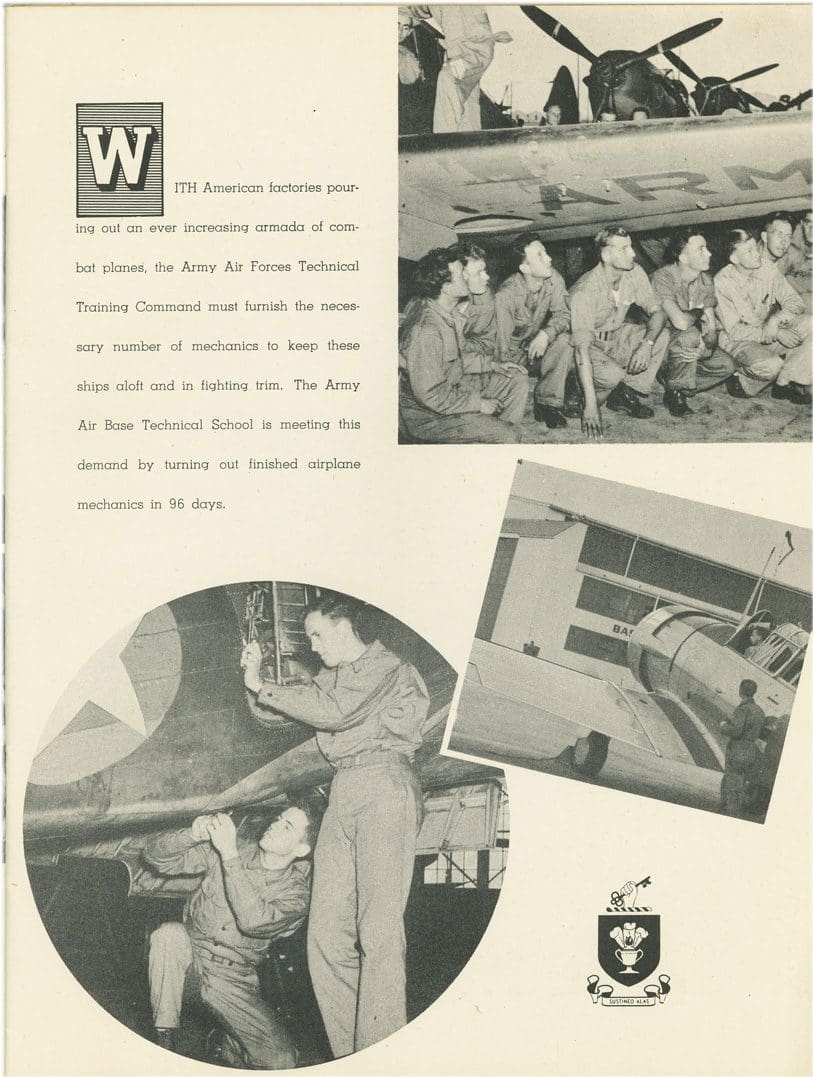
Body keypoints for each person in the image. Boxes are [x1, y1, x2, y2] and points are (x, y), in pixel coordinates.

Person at [241, 593, 430, 1059]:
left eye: (316, 635)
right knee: (324, 936)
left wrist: (262, 685)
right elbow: (282, 712)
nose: (313, 646)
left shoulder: (388, 667)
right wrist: (255, 675)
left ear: (343, 626)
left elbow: (335, 714)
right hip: (343, 789)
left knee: (379, 931)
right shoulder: (334, 680)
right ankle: (353, 1054)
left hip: (384, 783)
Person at [144, 802, 320, 1068]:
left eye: (288, 826)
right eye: (279, 817)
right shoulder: (236, 847)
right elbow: (154, 857)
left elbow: (253, 922)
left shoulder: (297, 895)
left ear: (301, 850)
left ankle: (226, 1047)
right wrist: (192, 834)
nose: (274, 824)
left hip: (234, 977)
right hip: (190, 959)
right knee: (168, 936)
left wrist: (229, 854)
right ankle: (163, 1045)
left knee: (281, 1061)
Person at [399, 247, 528, 442]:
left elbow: (456, 359)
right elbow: (431, 396)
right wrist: (478, 404)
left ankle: (489, 432)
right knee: (509, 436)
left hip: (452, 390)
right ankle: (491, 436)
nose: (467, 278)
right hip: (428, 417)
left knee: (515, 378)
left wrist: (493, 365)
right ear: (445, 286)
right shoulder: (427, 330)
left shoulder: (448, 314)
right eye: (461, 275)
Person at [569, 226, 669, 438]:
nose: (632, 253)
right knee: (612, 375)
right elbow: (581, 351)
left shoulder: (633, 272)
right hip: (586, 346)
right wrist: (591, 407)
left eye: (630, 247)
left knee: (661, 336)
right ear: (606, 255)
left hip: (615, 336)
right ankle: (576, 386)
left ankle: (624, 394)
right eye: (624, 249)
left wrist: (646, 345)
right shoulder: (585, 290)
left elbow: (659, 313)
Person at [714, 228, 811, 403]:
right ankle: (739, 378)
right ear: (734, 258)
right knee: (772, 366)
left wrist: (776, 320)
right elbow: (735, 331)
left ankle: (784, 382)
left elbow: (795, 301)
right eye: (748, 251)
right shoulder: (722, 282)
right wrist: (777, 333)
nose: (757, 254)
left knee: (811, 323)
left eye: (755, 248)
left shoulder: (766, 267)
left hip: (766, 329)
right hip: (737, 340)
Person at [494, 233, 576, 428]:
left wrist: (546, 334)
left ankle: (547, 404)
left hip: (534, 348)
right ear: (525, 268)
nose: (549, 258)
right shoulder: (505, 295)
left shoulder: (553, 278)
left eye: (545, 252)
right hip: (510, 354)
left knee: (565, 340)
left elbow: (565, 314)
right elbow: (499, 347)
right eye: (540, 255)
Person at [651, 228, 735, 417]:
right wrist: (699, 310)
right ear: (684, 258)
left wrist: (705, 348)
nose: (709, 253)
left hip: (683, 345)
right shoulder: (663, 278)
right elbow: (680, 322)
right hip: (657, 345)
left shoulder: (706, 280)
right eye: (701, 249)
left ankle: (674, 381)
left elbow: (712, 332)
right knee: (690, 335)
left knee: (727, 365)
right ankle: (676, 393)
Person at [410, 6, 510, 133]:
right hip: (468, 45)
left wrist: (455, 54)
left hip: (473, 48)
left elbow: (451, 12)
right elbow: (420, 9)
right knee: (467, 98)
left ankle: (445, 141)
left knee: (450, 78)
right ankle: (470, 141)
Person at [719, 679, 765, 816]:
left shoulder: (743, 709)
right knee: (740, 782)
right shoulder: (759, 711)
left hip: (738, 749)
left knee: (731, 782)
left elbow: (736, 731)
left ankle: (728, 813)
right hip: (752, 749)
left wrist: (723, 726)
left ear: (741, 690)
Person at [783, 209, 813, 311]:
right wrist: (802, 292)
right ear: (801, 223)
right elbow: (779, 277)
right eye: (808, 222)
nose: (811, 229)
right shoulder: (792, 245)